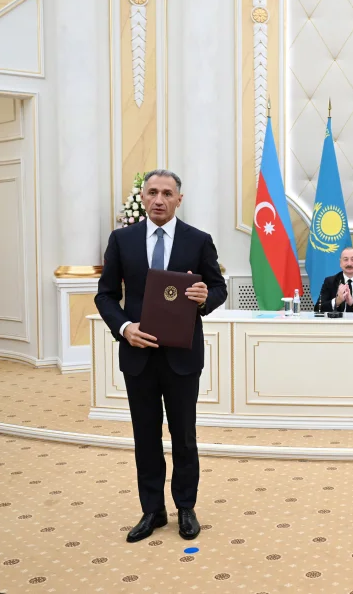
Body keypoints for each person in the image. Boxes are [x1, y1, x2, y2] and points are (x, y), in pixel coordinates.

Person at [95, 169, 227, 543]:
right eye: (152, 192)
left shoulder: (198, 240)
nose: (159, 199)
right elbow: (105, 295)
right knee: (145, 436)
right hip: (138, 356)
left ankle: (185, 507)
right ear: (143, 197)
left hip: (182, 357)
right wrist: (124, 327)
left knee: (184, 435)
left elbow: (218, 288)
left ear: (178, 200)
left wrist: (204, 298)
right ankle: (152, 510)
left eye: (167, 193)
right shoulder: (121, 240)